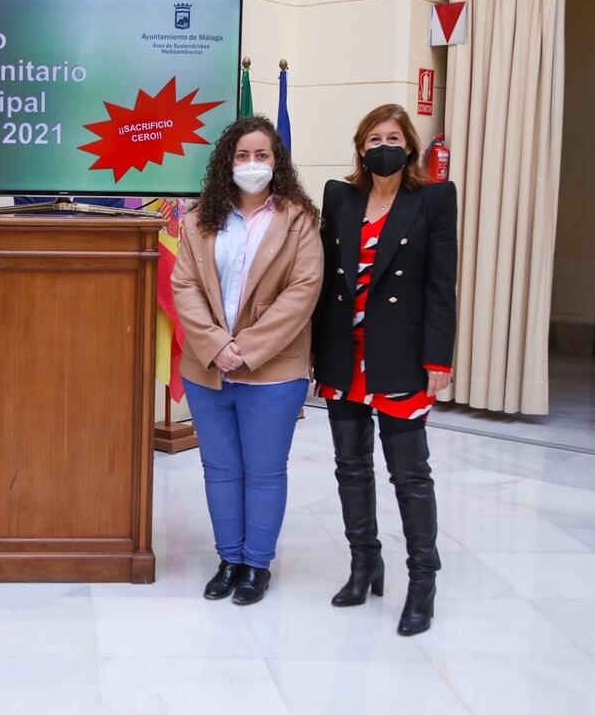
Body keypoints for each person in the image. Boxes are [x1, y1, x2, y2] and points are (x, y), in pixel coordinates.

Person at [312, 103, 457, 636]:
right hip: (343, 357)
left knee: (410, 474)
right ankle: (363, 563)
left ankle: (423, 581)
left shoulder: (435, 200)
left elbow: (442, 286)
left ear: (410, 146)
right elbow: (325, 278)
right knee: (350, 466)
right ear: (360, 147)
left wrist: (438, 358)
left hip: (399, 356)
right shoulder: (340, 197)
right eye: (373, 138)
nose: (382, 146)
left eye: (392, 136)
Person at [171, 115, 322, 606]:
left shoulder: (299, 219)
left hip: (273, 371)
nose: (252, 164)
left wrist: (248, 349)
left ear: (276, 162)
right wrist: (218, 346)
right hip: (207, 368)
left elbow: (303, 291)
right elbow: (185, 287)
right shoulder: (198, 220)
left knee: (264, 470)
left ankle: (257, 564)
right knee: (220, 469)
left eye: (262, 155)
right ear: (226, 163)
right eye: (242, 155)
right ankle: (229, 558)